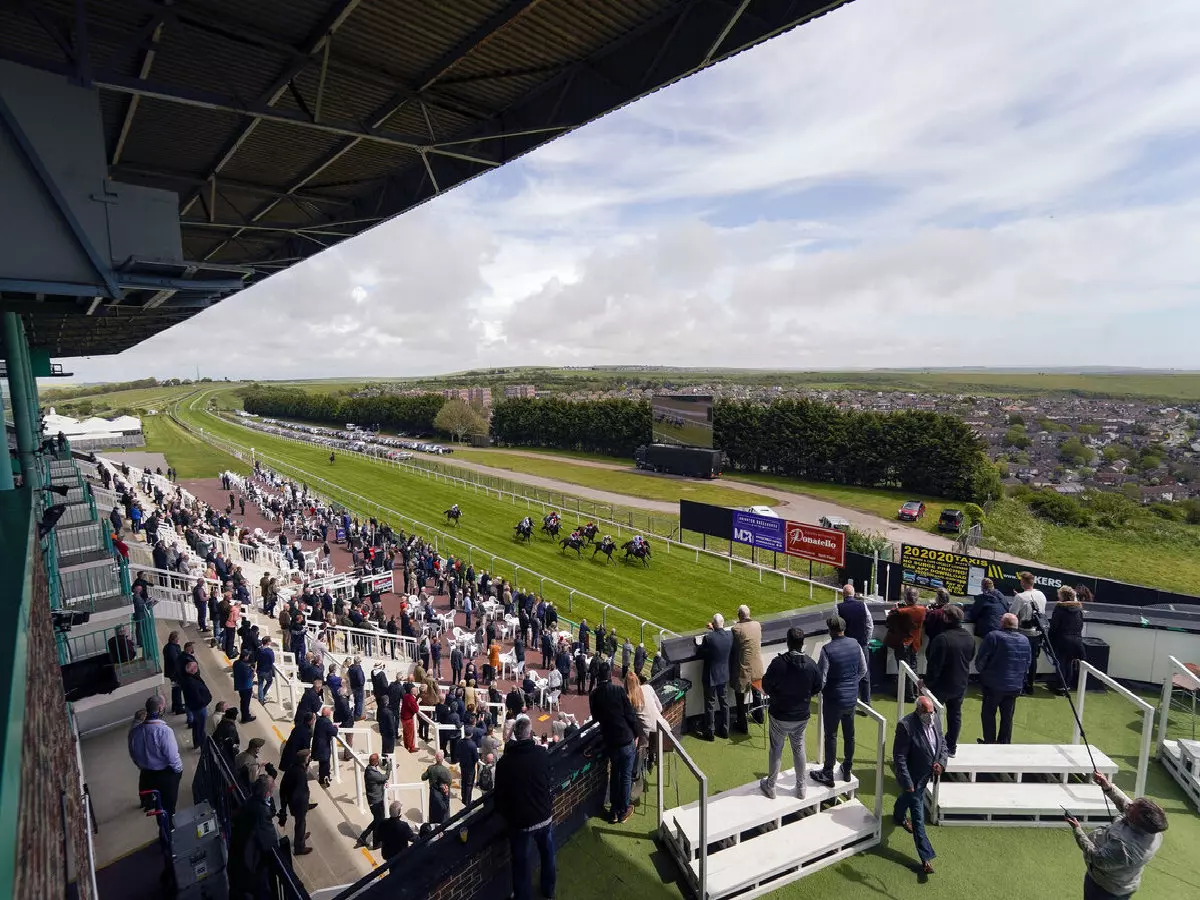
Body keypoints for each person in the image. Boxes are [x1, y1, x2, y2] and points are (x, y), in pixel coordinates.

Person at [1067, 771, 1168, 900]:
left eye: (1131, 808)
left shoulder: (1125, 848)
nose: (1128, 806)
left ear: (1137, 822)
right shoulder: (1150, 827)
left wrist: (1078, 830)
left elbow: (1097, 859)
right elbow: (1127, 805)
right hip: (1115, 882)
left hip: (1106, 890)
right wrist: (1107, 786)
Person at [494, 716, 556, 900]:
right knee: (548, 856)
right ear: (530, 734)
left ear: (514, 735)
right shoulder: (542, 754)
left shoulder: (504, 763)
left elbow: (499, 798)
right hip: (544, 815)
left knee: (521, 865)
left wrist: (508, 816)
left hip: (522, 823)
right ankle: (549, 891)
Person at [759, 627, 822, 800]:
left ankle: (771, 785)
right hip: (800, 715)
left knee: (776, 749)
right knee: (798, 748)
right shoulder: (810, 664)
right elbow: (817, 687)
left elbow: (766, 685)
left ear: (788, 642)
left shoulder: (779, 663)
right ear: (802, 643)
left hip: (781, 714)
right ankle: (801, 787)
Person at [893, 696, 948, 876]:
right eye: (926, 713)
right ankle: (926, 858)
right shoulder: (906, 726)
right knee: (918, 817)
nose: (930, 717)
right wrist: (907, 782)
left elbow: (942, 743)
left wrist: (941, 762)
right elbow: (899, 758)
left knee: (906, 799)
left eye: (931, 713)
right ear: (918, 710)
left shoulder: (936, 720)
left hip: (926, 776)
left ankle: (898, 815)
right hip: (913, 779)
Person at [812, 616, 868, 787]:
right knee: (849, 735)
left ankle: (828, 772)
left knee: (831, 735)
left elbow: (822, 679)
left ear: (830, 630)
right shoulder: (855, 644)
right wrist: (851, 684)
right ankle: (847, 769)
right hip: (850, 698)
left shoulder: (827, 650)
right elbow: (862, 670)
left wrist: (820, 690)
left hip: (833, 699)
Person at [589, 661, 639, 824]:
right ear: (610, 675)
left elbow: (596, 719)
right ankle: (622, 811)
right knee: (624, 777)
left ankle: (615, 811)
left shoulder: (594, 695)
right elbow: (630, 715)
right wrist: (636, 734)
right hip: (625, 740)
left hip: (610, 742)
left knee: (616, 776)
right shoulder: (618, 690)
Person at [920, 605, 973, 756]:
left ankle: (930, 747)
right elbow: (970, 657)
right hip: (960, 683)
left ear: (946, 618)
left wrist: (926, 682)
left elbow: (934, 666)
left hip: (941, 686)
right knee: (955, 715)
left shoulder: (942, 639)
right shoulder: (968, 637)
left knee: (930, 716)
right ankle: (951, 747)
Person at [974, 613, 1032, 745]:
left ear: (1002, 623)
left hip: (993, 684)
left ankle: (990, 742)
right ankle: (1004, 743)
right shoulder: (1024, 640)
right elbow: (1027, 662)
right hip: (1014, 686)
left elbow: (981, 661)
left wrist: (982, 672)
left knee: (988, 714)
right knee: (1007, 717)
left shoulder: (993, 636)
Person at [128, 695, 183, 821]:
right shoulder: (164, 731)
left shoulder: (135, 731)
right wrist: (178, 770)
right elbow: (172, 756)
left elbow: (133, 752)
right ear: (159, 708)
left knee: (158, 806)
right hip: (165, 775)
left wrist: (141, 766)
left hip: (147, 774)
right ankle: (168, 831)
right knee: (167, 808)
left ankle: (156, 814)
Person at [228, 775, 280, 898]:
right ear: (267, 794)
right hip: (250, 866)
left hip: (236, 858)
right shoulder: (261, 813)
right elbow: (270, 843)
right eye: (273, 789)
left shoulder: (249, 802)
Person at [695, 613, 733, 740]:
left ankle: (710, 732)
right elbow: (720, 638)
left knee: (710, 704)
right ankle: (725, 730)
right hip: (723, 674)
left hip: (711, 676)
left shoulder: (709, 638)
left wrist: (710, 633)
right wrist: (714, 629)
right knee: (724, 703)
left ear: (713, 624)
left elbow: (700, 652)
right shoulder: (729, 635)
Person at [885, 587, 927, 704]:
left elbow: (889, 621)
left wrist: (896, 608)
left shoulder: (900, 612)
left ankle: (909, 695)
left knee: (905, 669)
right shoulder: (922, 610)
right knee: (914, 668)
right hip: (915, 643)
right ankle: (915, 692)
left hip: (902, 643)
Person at [1010, 571, 1049, 694]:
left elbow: (1012, 614)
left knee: (1020, 659)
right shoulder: (1041, 594)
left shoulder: (1019, 597)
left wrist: (1018, 598)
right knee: (1033, 660)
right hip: (1038, 633)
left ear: (1023, 582)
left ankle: (1020, 686)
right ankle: (1030, 686)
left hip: (1024, 633)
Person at [730, 605, 765, 733]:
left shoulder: (736, 628)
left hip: (745, 668)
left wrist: (738, 623)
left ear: (739, 615)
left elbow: (737, 631)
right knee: (756, 691)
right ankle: (759, 716)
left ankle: (742, 724)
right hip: (757, 667)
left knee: (739, 696)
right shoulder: (757, 625)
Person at [837, 584, 873, 704]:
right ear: (854, 594)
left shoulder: (838, 607)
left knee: (844, 673)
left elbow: (835, 627)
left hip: (845, 646)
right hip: (861, 644)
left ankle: (845, 699)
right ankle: (866, 702)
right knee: (865, 674)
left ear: (843, 595)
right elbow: (869, 625)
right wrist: (866, 640)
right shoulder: (863, 605)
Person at [1050, 585, 1086, 694]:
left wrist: (1050, 639)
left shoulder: (1059, 608)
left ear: (1062, 596)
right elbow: (1080, 625)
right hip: (1075, 640)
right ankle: (1067, 686)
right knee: (1068, 663)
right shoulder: (1079, 609)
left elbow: (1054, 626)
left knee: (1060, 663)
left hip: (1062, 640)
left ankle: (1060, 687)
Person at [279, 749, 315, 855]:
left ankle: (300, 837)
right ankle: (299, 847)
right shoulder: (300, 773)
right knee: (300, 823)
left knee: (300, 823)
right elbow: (299, 791)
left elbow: (283, 786)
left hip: (293, 802)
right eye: (309, 757)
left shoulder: (293, 768)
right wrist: (302, 803)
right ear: (305, 759)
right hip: (299, 804)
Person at [354, 754, 392, 850]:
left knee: (377, 820)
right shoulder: (373, 774)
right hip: (376, 802)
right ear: (376, 762)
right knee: (379, 822)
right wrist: (389, 765)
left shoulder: (369, 769)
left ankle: (363, 837)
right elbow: (385, 777)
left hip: (374, 800)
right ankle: (376, 843)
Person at [180, 659, 212, 750]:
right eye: (196, 667)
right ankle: (204, 748)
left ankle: (196, 742)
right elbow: (197, 698)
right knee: (202, 728)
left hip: (194, 707)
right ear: (193, 670)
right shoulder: (192, 682)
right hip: (199, 708)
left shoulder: (188, 678)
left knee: (196, 724)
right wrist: (205, 701)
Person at [966, 578, 1009, 644]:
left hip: (988, 632)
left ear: (982, 588)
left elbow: (973, 614)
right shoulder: (1002, 597)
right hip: (1002, 630)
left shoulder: (982, 599)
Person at [422, 750, 453, 825]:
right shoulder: (445, 770)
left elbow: (423, 777)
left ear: (435, 758)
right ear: (442, 759)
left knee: (433, 810)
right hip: (443, 793)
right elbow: (449, 782)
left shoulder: (430, 768)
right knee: (444, 810)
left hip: (433, 792)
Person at [312, 706, 339, 788]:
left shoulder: (319, 720)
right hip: (323, 747)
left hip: (318, 745)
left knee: (322, 764)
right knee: (325, 765)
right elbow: (334, 732)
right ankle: (324, 780)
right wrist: (336, 728)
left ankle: (322, 779)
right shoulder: (327, 722)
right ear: (328, 714)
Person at [162, 631, 186, 715]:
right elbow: (176, 660)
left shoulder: (168, 647)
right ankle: (178, 707)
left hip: (171, 672)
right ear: (175, 639)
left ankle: (175, 705)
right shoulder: (171, 648)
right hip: (175, 673)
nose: (178, 640)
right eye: (177, 638)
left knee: (175, 688)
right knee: (177, 689)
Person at [233, 650, 257, 723]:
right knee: (245, 703)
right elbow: (250, 676)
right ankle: (245, 717)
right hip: (246, 687)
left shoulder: (236, 663)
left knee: (243, 702)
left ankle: (246, 715)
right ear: (245, 657)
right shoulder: (244, 667)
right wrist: (253, 670)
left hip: (239, 686)